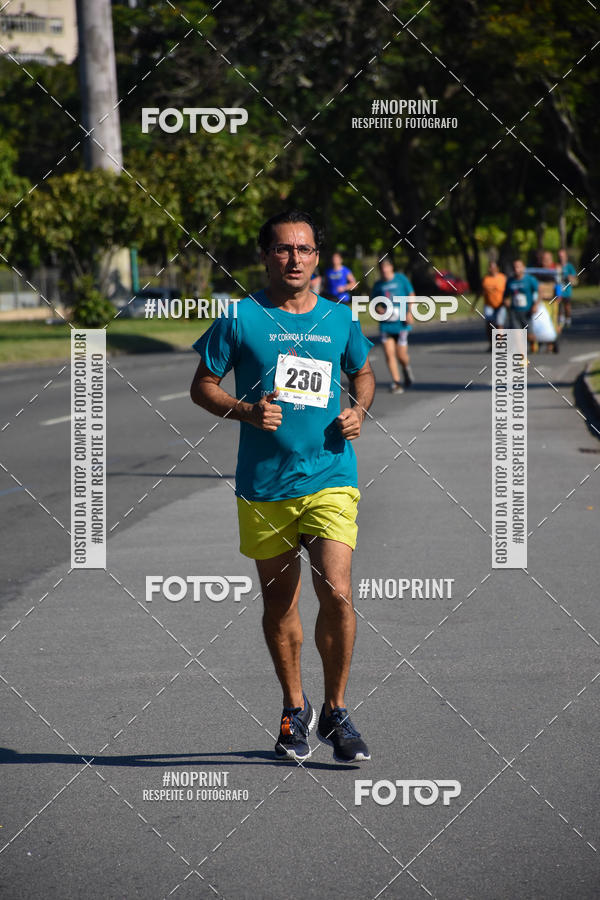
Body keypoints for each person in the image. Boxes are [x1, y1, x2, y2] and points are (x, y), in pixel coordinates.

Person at [190, 210, 375, 764]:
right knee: (280, 601)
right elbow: (201, 386)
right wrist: (245, 411)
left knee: (337, 591)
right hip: (265, 485)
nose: (293, 259)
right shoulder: (241, 318)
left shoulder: (340, 320)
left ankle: (337, 710)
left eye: (304, 249)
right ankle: (295, 709)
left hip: (329, 477)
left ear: (318, 257)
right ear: (265, 255)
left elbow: (362, 373)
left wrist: (358, 410)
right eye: (282, 249)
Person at [370, 257, 415, 392]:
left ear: (391, 267)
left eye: (386, 267)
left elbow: (411, 294)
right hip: (386, 324)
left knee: (401, 355)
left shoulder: (401, 279)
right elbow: (373, 302)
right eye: (382, 268)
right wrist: (378, 309)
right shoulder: (378, 285)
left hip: (401, 323)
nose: (384, 270)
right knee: (389, 354)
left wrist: (410, 312)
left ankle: (406, 368)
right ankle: (396, 382)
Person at [504, 258, 539, 352]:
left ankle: (534, 342)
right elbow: (506, 295)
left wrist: (535, 305)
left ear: (523, 267)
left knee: (529, 335)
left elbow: (537, 292)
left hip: (527, 311)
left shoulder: (530, 280)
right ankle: (521, 354)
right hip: (514, 311)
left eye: (518, 267)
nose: (516, 269)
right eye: (514, 267)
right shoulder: (510, 281)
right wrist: (506, 301)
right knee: (517, 334)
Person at [481, 260, 506, 351]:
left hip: (500, 304)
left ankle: (499, 344)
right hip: (489, 305)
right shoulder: (486, 279)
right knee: (489, 324)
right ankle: (491, 344)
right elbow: (481, 292)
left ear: (497, 268)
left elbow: (507, 291)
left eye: (493, 267)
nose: (491, 269)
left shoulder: (502, 278)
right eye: (490, 267)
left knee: (499, 324)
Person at [557, 247, 577, 327]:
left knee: (567, 305)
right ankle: (560, 319)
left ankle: (568, 318)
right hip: (559, 289)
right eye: (559, 256)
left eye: (562, 256)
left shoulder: (569, 267)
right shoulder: (557, 266)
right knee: (559, 305)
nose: (561, 258)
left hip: (567, 290)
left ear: (566, 257)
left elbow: (574, 279)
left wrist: (570, 277)